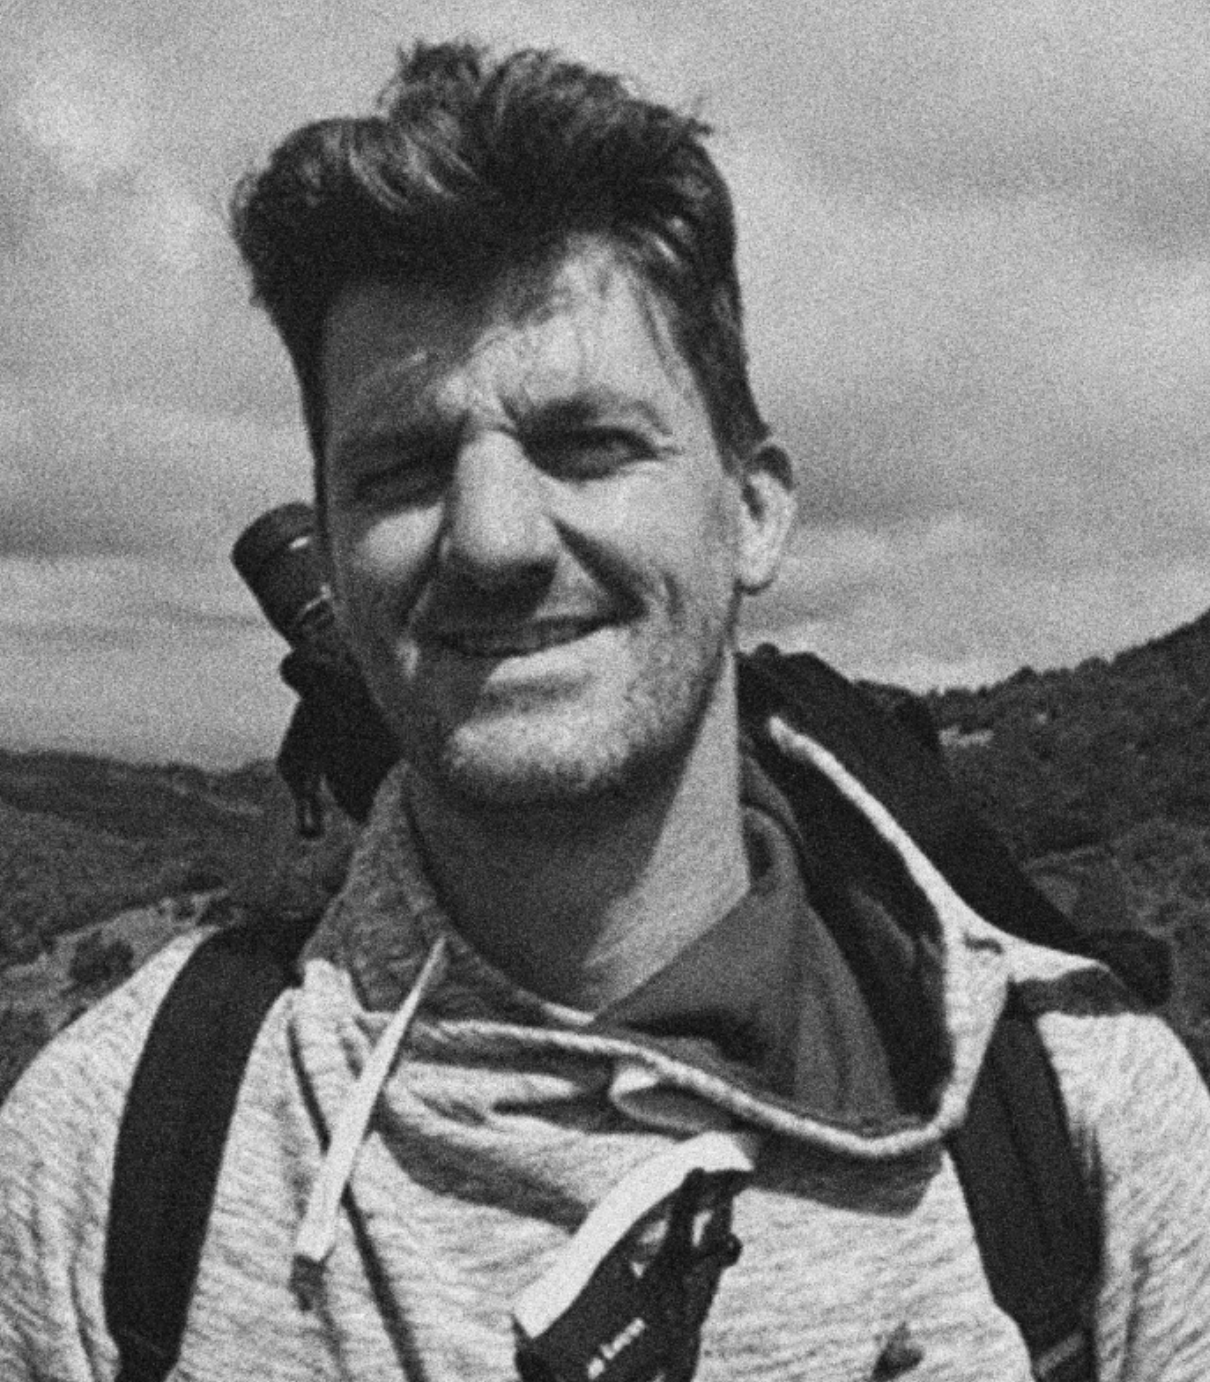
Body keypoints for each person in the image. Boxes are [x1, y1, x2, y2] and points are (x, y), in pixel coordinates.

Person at [3, 40, 1209, 1382]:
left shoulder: (1087, 1139)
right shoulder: (111, 1163)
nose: (492, 536)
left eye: (587, 444)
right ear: (333, 544)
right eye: (401, 467)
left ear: (753, 509)